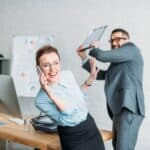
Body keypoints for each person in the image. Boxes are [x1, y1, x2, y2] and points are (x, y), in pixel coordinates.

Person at [77, 28, 145, 150]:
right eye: (111, 40)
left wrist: (94, 48)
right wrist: (83, 57)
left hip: (130, 108)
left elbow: (102, 55)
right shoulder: (119, 62)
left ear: (127, 39)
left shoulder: (131, 49)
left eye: (118, 39)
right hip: (119, 110)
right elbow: (101, 74)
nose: (114, 43)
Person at [35, 45, 105, 150]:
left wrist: (90, 79)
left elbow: (78, 97)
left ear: (60, 63)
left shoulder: (67, 75)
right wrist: (49, 92)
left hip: (89, 126)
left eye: (55, 63)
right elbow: (68, 112)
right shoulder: (40, 100)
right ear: (38, 68)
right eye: (46, 65)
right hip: (73, 137)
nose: (52, 69)